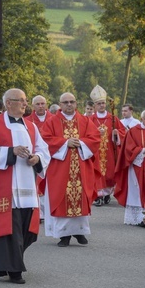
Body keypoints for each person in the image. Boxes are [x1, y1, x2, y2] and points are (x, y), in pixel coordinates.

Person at [0, 88, 49, 284]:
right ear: (8, 103)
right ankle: (14, 268)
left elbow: (44, 151)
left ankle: (12, 261)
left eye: (25, 100)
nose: (25, 104)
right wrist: (11, 151)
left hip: (27, 188)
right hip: (6, 189)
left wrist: (37, 158)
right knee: (11, 228)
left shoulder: (31, 127)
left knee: (26, 229)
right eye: (21, 100)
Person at [41, 92, 100, 247]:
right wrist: (65, 143)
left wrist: (81, 142)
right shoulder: (52, 121)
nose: (69, 105)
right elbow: (45, 140)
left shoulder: (85, 121)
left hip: (81, 168)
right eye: (65, 102)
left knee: (81, 196)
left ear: (76, 103)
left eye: (71, 102)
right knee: (61, 197)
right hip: (60, 169)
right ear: (60, 105)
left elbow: (95, 139)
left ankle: (80, 231)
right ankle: (64, 235)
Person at [89, 85, 126, 206]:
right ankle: (98, 195)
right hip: (96, 152)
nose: (101, 105)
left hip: (109, 150)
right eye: (99, 103)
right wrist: (95, 133)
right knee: (97, 171)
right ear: (94, 105)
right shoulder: (90, 119)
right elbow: (85, 134)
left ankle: (106, 194)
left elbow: (123, 132)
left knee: (109, 172)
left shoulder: (113, 118)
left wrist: (117, 133)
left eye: (103, 103)